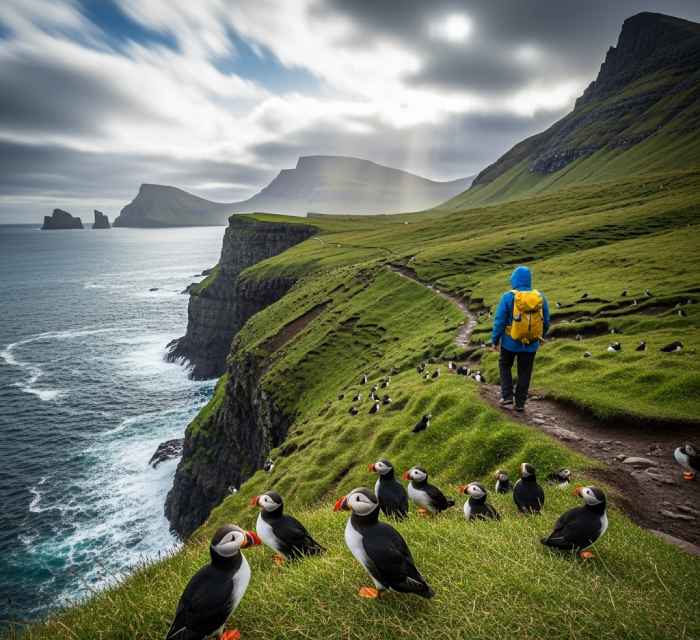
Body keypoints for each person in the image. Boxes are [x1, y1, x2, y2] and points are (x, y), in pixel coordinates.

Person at [491, 266, 550, 412]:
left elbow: (499, 320)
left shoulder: (508, 296)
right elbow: (546, 321)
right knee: (525, 371)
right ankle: (520, 403)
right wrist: (540, 336)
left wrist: (495, 340)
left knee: (505, 365)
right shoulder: (539, 297)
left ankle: (507, 396)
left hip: (510, 342)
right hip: (531, 343)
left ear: (514, 279)